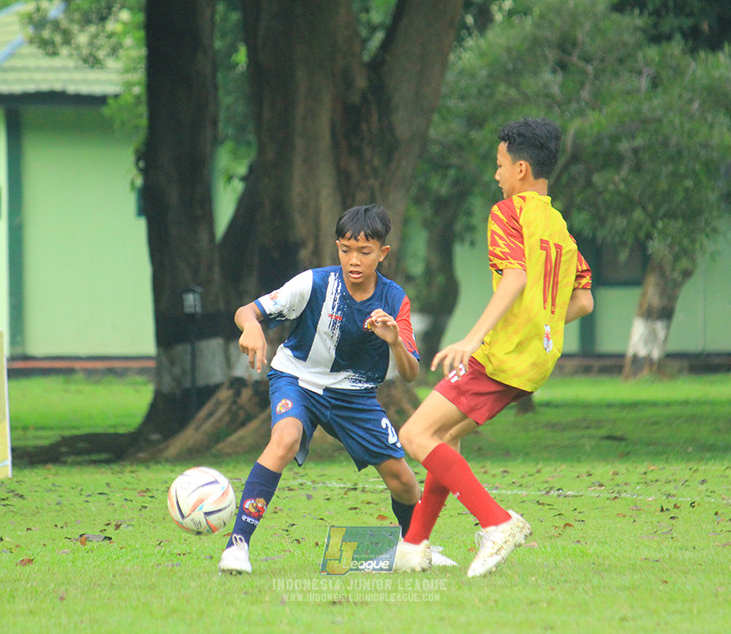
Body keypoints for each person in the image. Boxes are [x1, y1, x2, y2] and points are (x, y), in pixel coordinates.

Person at [394, 117, 594, 578]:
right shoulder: (559, 228)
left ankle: (497, 522)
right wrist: (540, 321)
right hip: (536, 362)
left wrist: (471, 339)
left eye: (500, 164)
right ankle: (414, 545)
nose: (496, 174)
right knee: (446, 438)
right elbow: (583, 300)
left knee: (414, 436)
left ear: (521, 169)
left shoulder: (508, 212)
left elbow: (516, 276)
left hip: (500, 356)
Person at [218, 204, 453, 574]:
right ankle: (237, 546)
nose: (353, 260)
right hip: (298, 380)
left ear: (383, 253)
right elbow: (247, 311)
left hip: (354, 396)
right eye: (346, 249)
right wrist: (251, 327)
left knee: (405, 482)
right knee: (285, 439)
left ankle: (415, 547)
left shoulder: (394, 300)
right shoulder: (313, 283)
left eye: (364, 251)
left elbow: (410, 373)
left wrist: (394, 341)